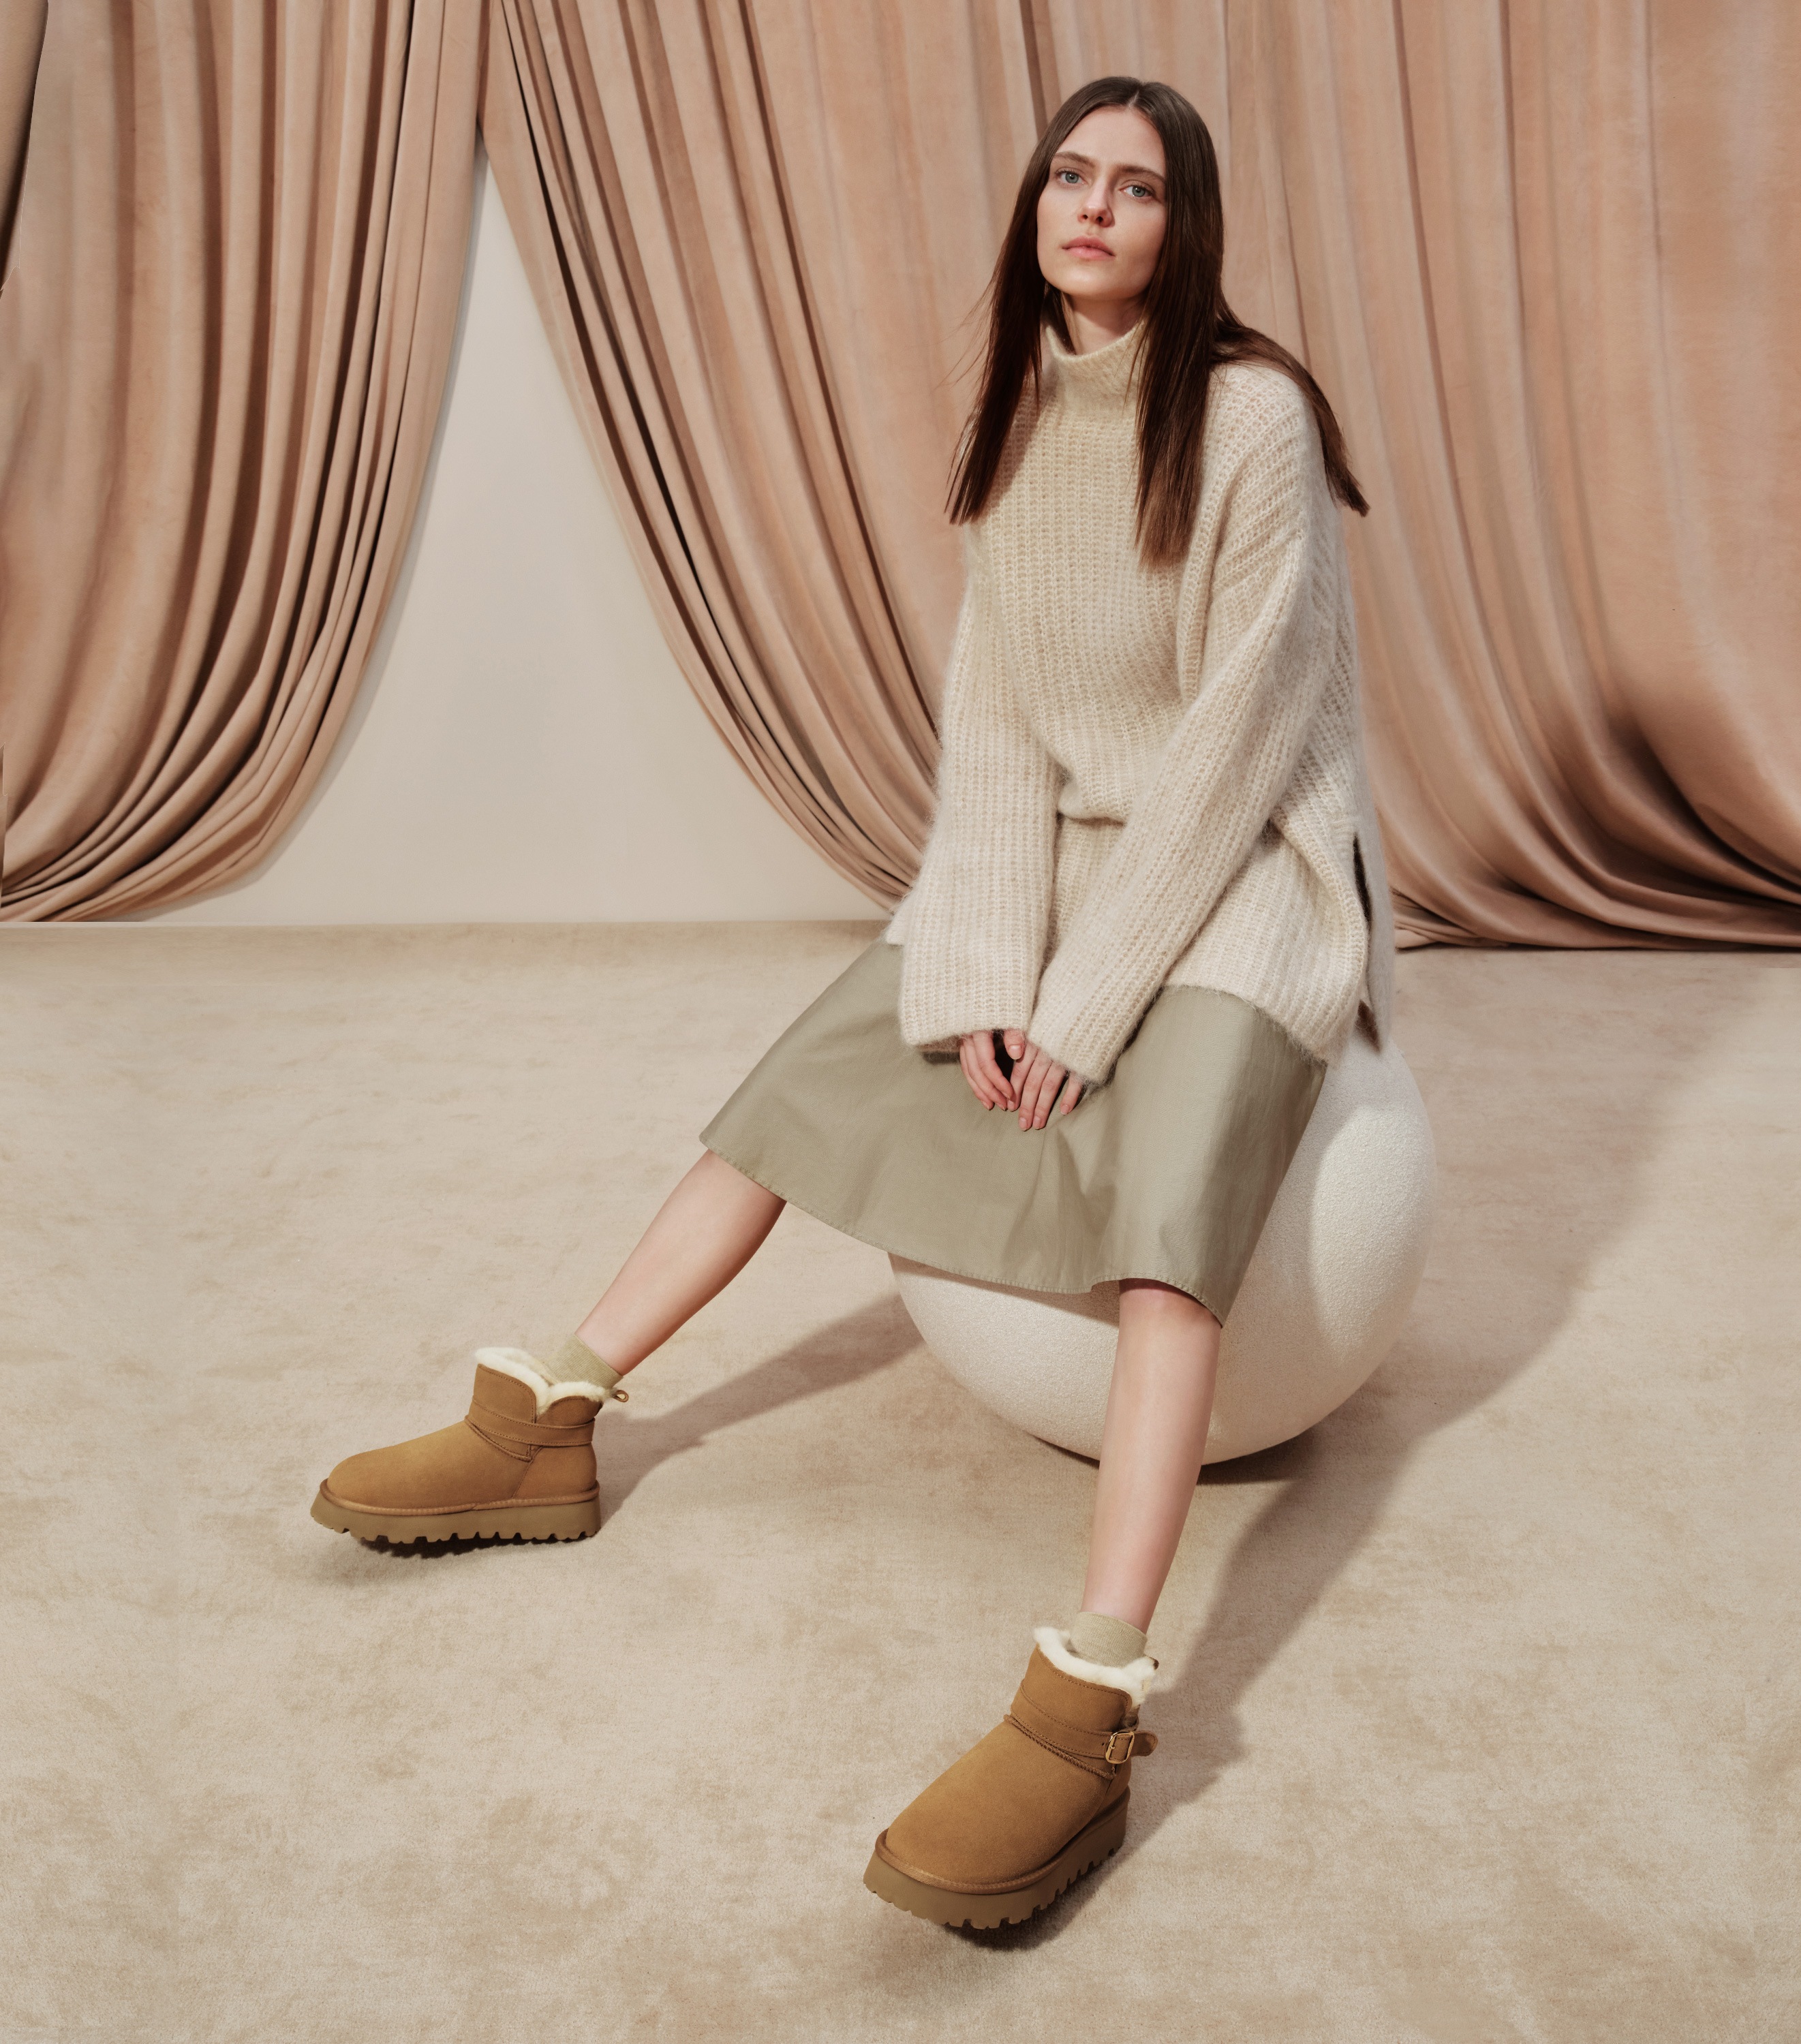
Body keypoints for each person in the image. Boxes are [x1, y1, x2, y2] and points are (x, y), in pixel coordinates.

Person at [309, 74, 1393, 1930]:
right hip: (1059, 862)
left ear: (1184, 224)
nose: (1095, 208)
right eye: (1070, 174)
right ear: (1035, 205)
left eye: (1138, 188)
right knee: (804, 1083)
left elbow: (1241, 745)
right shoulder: (1021, 413)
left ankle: (1094, 1695)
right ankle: (555, 1415)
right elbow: (996, 728)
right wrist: (979, 972)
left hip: (1240, 876)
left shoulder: (1251, 417)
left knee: (1171, 1228)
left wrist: (1086, 1004)